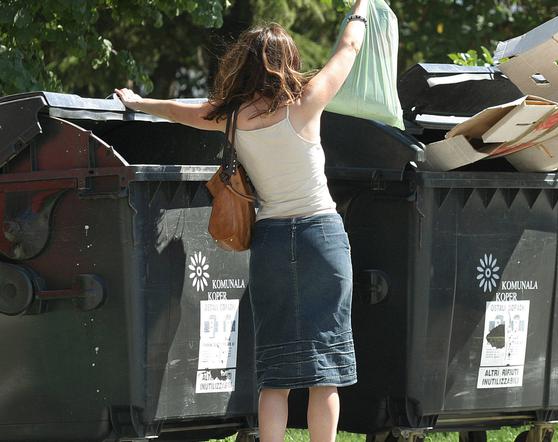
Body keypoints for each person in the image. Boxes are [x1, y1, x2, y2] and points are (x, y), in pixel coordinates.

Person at [114, 2, 369, 441]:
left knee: (275, 371)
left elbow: (179, 110)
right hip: (321, 238)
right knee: (323, 370)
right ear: (287, 62)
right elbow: (348, 46)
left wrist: (138, 101)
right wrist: (361, 8)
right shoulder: (307, 103)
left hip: (269, 243)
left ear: (245, 67)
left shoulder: (230, 118)